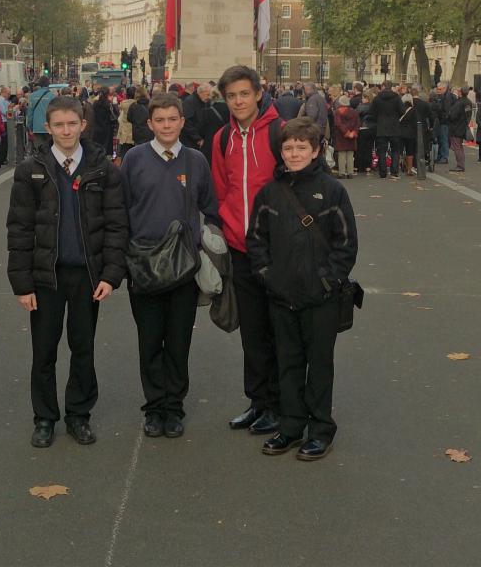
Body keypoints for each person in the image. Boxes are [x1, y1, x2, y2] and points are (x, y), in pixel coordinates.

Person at [6, 96, 129, 449]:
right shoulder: (31, 169)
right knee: (44, 351)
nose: (66, 131)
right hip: (46, 275)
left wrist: (110, 274)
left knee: (83, 347)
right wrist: (21, 283)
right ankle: (45, 417)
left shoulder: (103, 169)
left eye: (71, 124)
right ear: (49, 127)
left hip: (86, 274)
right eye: (58, 125)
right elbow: (19, 228)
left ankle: (79, 414)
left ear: (82, 125)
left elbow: (116, 225)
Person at [247, 118, 357, 461]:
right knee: (288, 363)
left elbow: (346, 242)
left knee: (319, 365)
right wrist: (267, 275)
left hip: (321, 296)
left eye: (301, 148)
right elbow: (256, 239)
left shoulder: (332, 189)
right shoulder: (269, 192)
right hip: (281, 294)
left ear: (315, 150)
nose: (294, 153)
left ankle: (320, 428)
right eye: (288, 147)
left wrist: (329, 280)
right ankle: (291, 426)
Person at [121, 92, 220, 438]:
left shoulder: (196, 161)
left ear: (182, 121)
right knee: (149, 342)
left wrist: (210, 247)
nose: (166, 125)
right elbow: (122, 211)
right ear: (149, 124)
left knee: (178, 342)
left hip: (183, 266)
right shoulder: (133, 159)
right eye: (159, 120)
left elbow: (211, 207)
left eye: (172, 119)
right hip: (144, 265)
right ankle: (154, 407)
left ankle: (173, 407)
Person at [211, 65, 281, 435]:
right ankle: (258, 401)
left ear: (257, 94)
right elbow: (222, 190)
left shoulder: (279, 133)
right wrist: (229, 225)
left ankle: (280, 403)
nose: (238, 101)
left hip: (276, 250)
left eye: (243, 94)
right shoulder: (222, 138)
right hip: (240, 247)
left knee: (278, 330)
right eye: (231, 96)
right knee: (251, 331)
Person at [369, 81, 405, 179]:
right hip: (394, 127)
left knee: (381, 151)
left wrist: (378, 117)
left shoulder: (377, 98)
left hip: (381, 127)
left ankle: (383, 172)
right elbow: (403, 111)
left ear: (383, 87)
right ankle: (394, 171)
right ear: (391, 87)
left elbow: (371, 111)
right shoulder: (397, 98)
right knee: (395, 150)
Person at [448, 86, 473, 173]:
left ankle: (460, 165)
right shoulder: (468, 102)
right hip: (463, 126)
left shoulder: (459, 102)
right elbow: (468, 115)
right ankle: (461, 164)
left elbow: (453, 115)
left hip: (456, 127)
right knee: (459, 146)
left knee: (457, 147)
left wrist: (449, 115)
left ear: (460, 93)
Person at [332, 94, 359, 178]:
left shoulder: (337, 112)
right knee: (350, 154)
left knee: (342, 154)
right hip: (352, 136)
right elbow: (357, 124)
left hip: (341, 136)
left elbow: (338, 124)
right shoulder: (354, 112)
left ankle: (342, 173)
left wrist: (346, 132)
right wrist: (353, 133)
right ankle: (350, 173)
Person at [26, 77, 55, 151]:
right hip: (49, 127)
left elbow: (30, 113)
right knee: (50, 149)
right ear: (48, 84)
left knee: (39, 150)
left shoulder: (32, 96)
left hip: (37, 127)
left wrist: (30, 127)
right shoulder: (52, 96)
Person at [181, 82, 211, 151]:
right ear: (201, 92)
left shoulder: (204, 101)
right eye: (208, 94)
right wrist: (198, 138)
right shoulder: (189, 102)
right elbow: (187, 122)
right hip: (190, 142)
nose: (209, 97)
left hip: (200, 140)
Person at [355, 88, 376, 173]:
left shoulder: (361, 106)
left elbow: (356, 114)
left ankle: (359, 166)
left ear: (366, 98)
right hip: (372, 129)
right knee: (369, 148)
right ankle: (368, 166)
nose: (362, 99)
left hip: (362, 129)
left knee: (360, 148)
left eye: (363, 98)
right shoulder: (374, 106)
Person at [92, 88, 117, 156]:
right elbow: (115, 115)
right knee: (106, 148)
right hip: (107, 128)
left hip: (97, 127)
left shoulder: (95, 104)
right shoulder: (108, 104)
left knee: (97, 147)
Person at [115, 85, 135, 165]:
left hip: (124, 129)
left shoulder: (123, 103)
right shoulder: (135, 103)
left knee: (124, 150)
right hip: (133, 128)